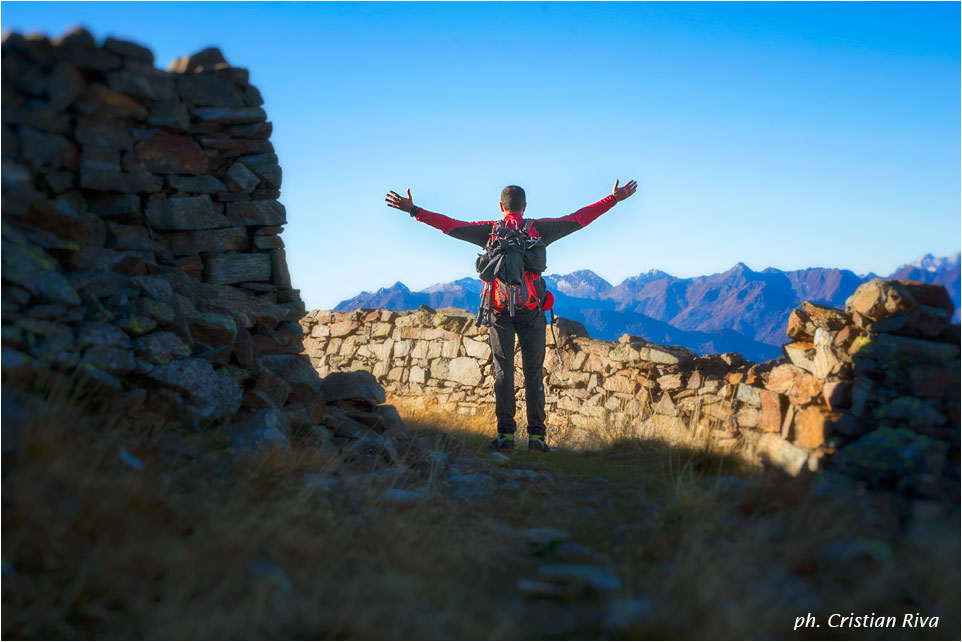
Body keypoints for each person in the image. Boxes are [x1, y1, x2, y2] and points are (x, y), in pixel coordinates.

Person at [385, 180, 638, 452]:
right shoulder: (538, 230)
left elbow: (450, 226)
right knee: (533, 373)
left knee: (502, 371)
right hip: (531, 312)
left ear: (500, 206)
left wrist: (415, 210)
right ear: (525, 206)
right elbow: (578, 219)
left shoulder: (490, 231)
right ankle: (537, 438)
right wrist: (613, 199)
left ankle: (505, 436)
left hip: (499, 312)